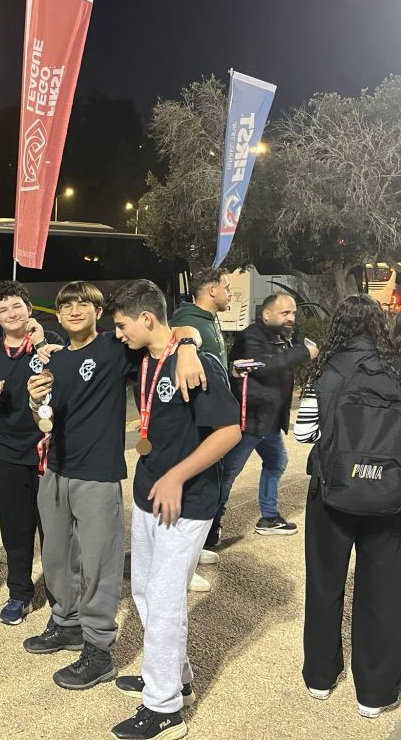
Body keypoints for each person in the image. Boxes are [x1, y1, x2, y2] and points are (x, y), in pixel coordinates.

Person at [24, 281, 204, 692]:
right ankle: (66, 623)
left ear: (98, 312)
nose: (73, 310)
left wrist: (189, 346)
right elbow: (45, 419)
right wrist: (35, 401)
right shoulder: (52, 360)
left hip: (97, 473)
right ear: (57, 314)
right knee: (55, 557)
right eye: (66, 305)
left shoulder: (114, 347)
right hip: (54, 469)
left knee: (99, 565)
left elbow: (173, 330)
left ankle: (99, 649)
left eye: (82, 304)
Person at [104, 280, 241, 740]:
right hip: (150, 495)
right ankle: (174, 680)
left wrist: (177, 476)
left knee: (165, 601)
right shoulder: (146, 356)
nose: (118, 334)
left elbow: (229, 431)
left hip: (186, 501)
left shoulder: (198, 365)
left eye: (122, 325)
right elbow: (182, 330)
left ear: (146, 318)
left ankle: (164, 710)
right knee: (145, 592)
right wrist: (185, 340)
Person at [294, 294, 401, 720]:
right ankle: (374, 694)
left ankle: (320, 678)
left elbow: (304, 433)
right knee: (384, 593)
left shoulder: (326, 370)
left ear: (338, 325)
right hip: (389, 496)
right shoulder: (396, 369)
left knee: (325, 585)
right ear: (378, 326)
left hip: (331, 493)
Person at [0, 280, 62, 625]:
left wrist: (41, 344)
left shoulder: (50, 343)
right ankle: (19, 593)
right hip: (7, 453)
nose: (11, 313)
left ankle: (61, 598)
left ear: (29, 310)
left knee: (54, 530)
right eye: (3, 309)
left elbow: (64, 389)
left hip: (48, 451)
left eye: (17, 306)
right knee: (15, 528)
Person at [211, 293, 317, 546]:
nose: (291, 318)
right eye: (285, 313)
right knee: (227, 474)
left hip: (268, 422)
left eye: (293, 313)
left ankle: (269, 518)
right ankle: (209, 527)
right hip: (250, 421)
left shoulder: (281, 336)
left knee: (276, 461)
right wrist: (304, 352)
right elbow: (264, 366)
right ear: (266, 315)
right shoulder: (251, 337)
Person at [169, 266, 232, 590]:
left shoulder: (208, 318)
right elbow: (179, 333)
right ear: (211, 290)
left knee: (206, 486)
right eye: (226, 287)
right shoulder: (188, 318)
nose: (230, 293)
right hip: (194, 423)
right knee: (192, 491)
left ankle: (192, 551)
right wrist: (186, 344)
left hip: (210, 420)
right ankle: (181, 564)